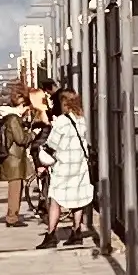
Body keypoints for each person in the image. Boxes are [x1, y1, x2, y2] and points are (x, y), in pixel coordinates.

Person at [38, 87, 95, 252]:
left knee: (55, 200)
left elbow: (52, 145)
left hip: (63, 166)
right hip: (79, 165)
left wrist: (44, 157)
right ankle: (76, 232)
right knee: (77, 199)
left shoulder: (62, 121)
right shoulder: (81, 119)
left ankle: (51, 235)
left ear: (63, 103)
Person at [0, 86, 36, 224]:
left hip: (13, 158)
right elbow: (21, 138)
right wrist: (33, 134)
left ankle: (13, 215)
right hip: (14, 159)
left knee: (16, 188)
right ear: (22, 105)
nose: (27, 111)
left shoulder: (9, 118)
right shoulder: (13, 119)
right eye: (27, 107)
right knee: (15, 190)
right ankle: (12, 218)